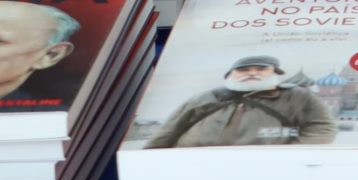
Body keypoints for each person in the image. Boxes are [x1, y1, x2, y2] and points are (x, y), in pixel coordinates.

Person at [144, 55, 337, 147]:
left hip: (263, 168)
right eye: (244, 70)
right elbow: (171, 129)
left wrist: (289, 156)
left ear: (275, 73)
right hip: (194, 165)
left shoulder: (298, 96)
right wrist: (149, 157)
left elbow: (322, 129)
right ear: (231, 75)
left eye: (261, 69)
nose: (252, 73)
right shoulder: (207, 97)